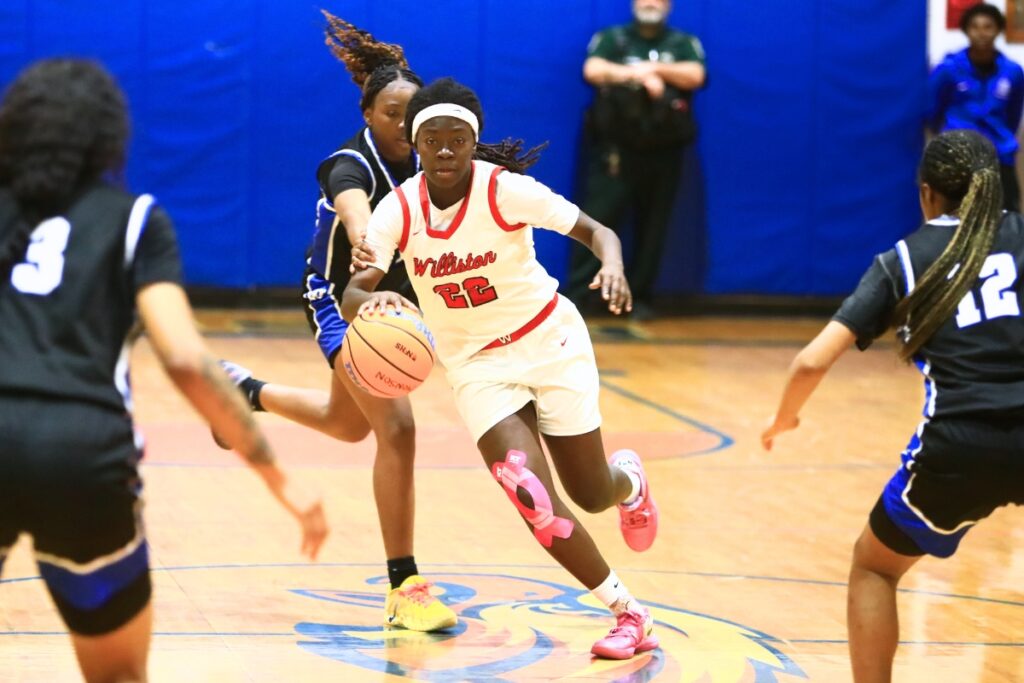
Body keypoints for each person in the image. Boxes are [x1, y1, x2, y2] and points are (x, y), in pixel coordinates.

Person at [0, 59, 327, 683]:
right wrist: (279, 480)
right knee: (118, 674)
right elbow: (185, 358)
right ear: (107, 136)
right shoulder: (132, 218)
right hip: (80, 456)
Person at [345, 77, 660, 660]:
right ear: (415, 145)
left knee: (591, 493)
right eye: (431, 139)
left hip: (550, 341)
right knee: (531, 492)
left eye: (456, 139)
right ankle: (629, 612)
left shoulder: (505, 191)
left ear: (473, 142)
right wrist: (377, 301)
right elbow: (355, 292)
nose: (444, 150)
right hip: (477, 364)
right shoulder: (400, 208)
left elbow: (598, 231)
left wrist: (612, 265)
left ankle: (629, 482)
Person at [214, 12, 457, 632]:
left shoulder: (438, 159)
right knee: (396, 428)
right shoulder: (349, 164)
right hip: (337, 296)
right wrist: (364, 240)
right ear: (369, 117)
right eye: (391, 114)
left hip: (393, 300)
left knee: (347, 425)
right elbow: (354, 211)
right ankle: (404, 586)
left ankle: (238, 391)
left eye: (413, 113)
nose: (404, 124)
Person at [762, 130, 1024, 683]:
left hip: (960, 445)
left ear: (927, 195)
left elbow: (811, 362)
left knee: (875, 567)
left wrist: (785, 417)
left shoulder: (904, 259)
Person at [566, 0, 706, 321]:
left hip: (664, 148)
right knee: (597, 219)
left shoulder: (682, 42)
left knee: (654, 226)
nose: (650, 3)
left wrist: (655, 69)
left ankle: (636, 297)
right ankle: (579, 295)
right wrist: (636, 76)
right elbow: (593, 69)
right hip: (616, 148)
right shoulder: (614, 38)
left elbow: (695, 75)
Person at [927, 2, 1024, 211]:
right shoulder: (948, 69)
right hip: (957, 157)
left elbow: (1014, 115)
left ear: (998, 30)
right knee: (955, 220)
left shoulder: (1012, 71)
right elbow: (932, 110)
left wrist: (1001, 137)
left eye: (988, 27)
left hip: (999, 156)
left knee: (1008, 223)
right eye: (975, 27)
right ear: (966, 31)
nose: (981, 33)